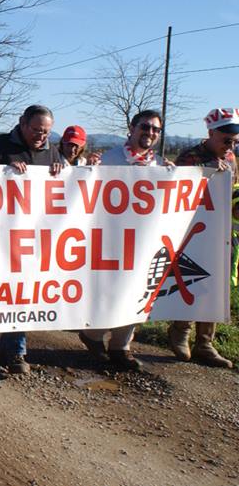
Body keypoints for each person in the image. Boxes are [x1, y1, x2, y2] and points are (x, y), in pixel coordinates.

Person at [78, 109, 171, 371]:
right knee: (111, 292)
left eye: (155, 129)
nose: (150, 133)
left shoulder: (162, 165)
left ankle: (121, 347)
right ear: (132, 128)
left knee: (139, 291)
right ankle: (94, 334)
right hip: (111, 238)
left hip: (145, 240)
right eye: (145, 127)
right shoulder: (109, 159)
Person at [0, 104, 64, 374]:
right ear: (22, 124)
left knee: (22, 291)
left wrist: (63, 170)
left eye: (46, 131)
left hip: (32, 238)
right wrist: (1, 170)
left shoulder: (52, 151)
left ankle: (15, 351)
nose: (41, 136)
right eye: (36, 130)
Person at [166, 107, 238, 368]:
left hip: (221, 232)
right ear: (211, 133)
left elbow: (231, 193)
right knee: (191, 280)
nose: (230, 145)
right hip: (193, 232)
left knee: (215, 286)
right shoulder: (190, 156)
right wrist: (206, 170)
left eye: (234, 141)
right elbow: (179, 186)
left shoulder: (231, 159)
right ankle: (180, 330)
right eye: (226, 139)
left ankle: (205, 342)